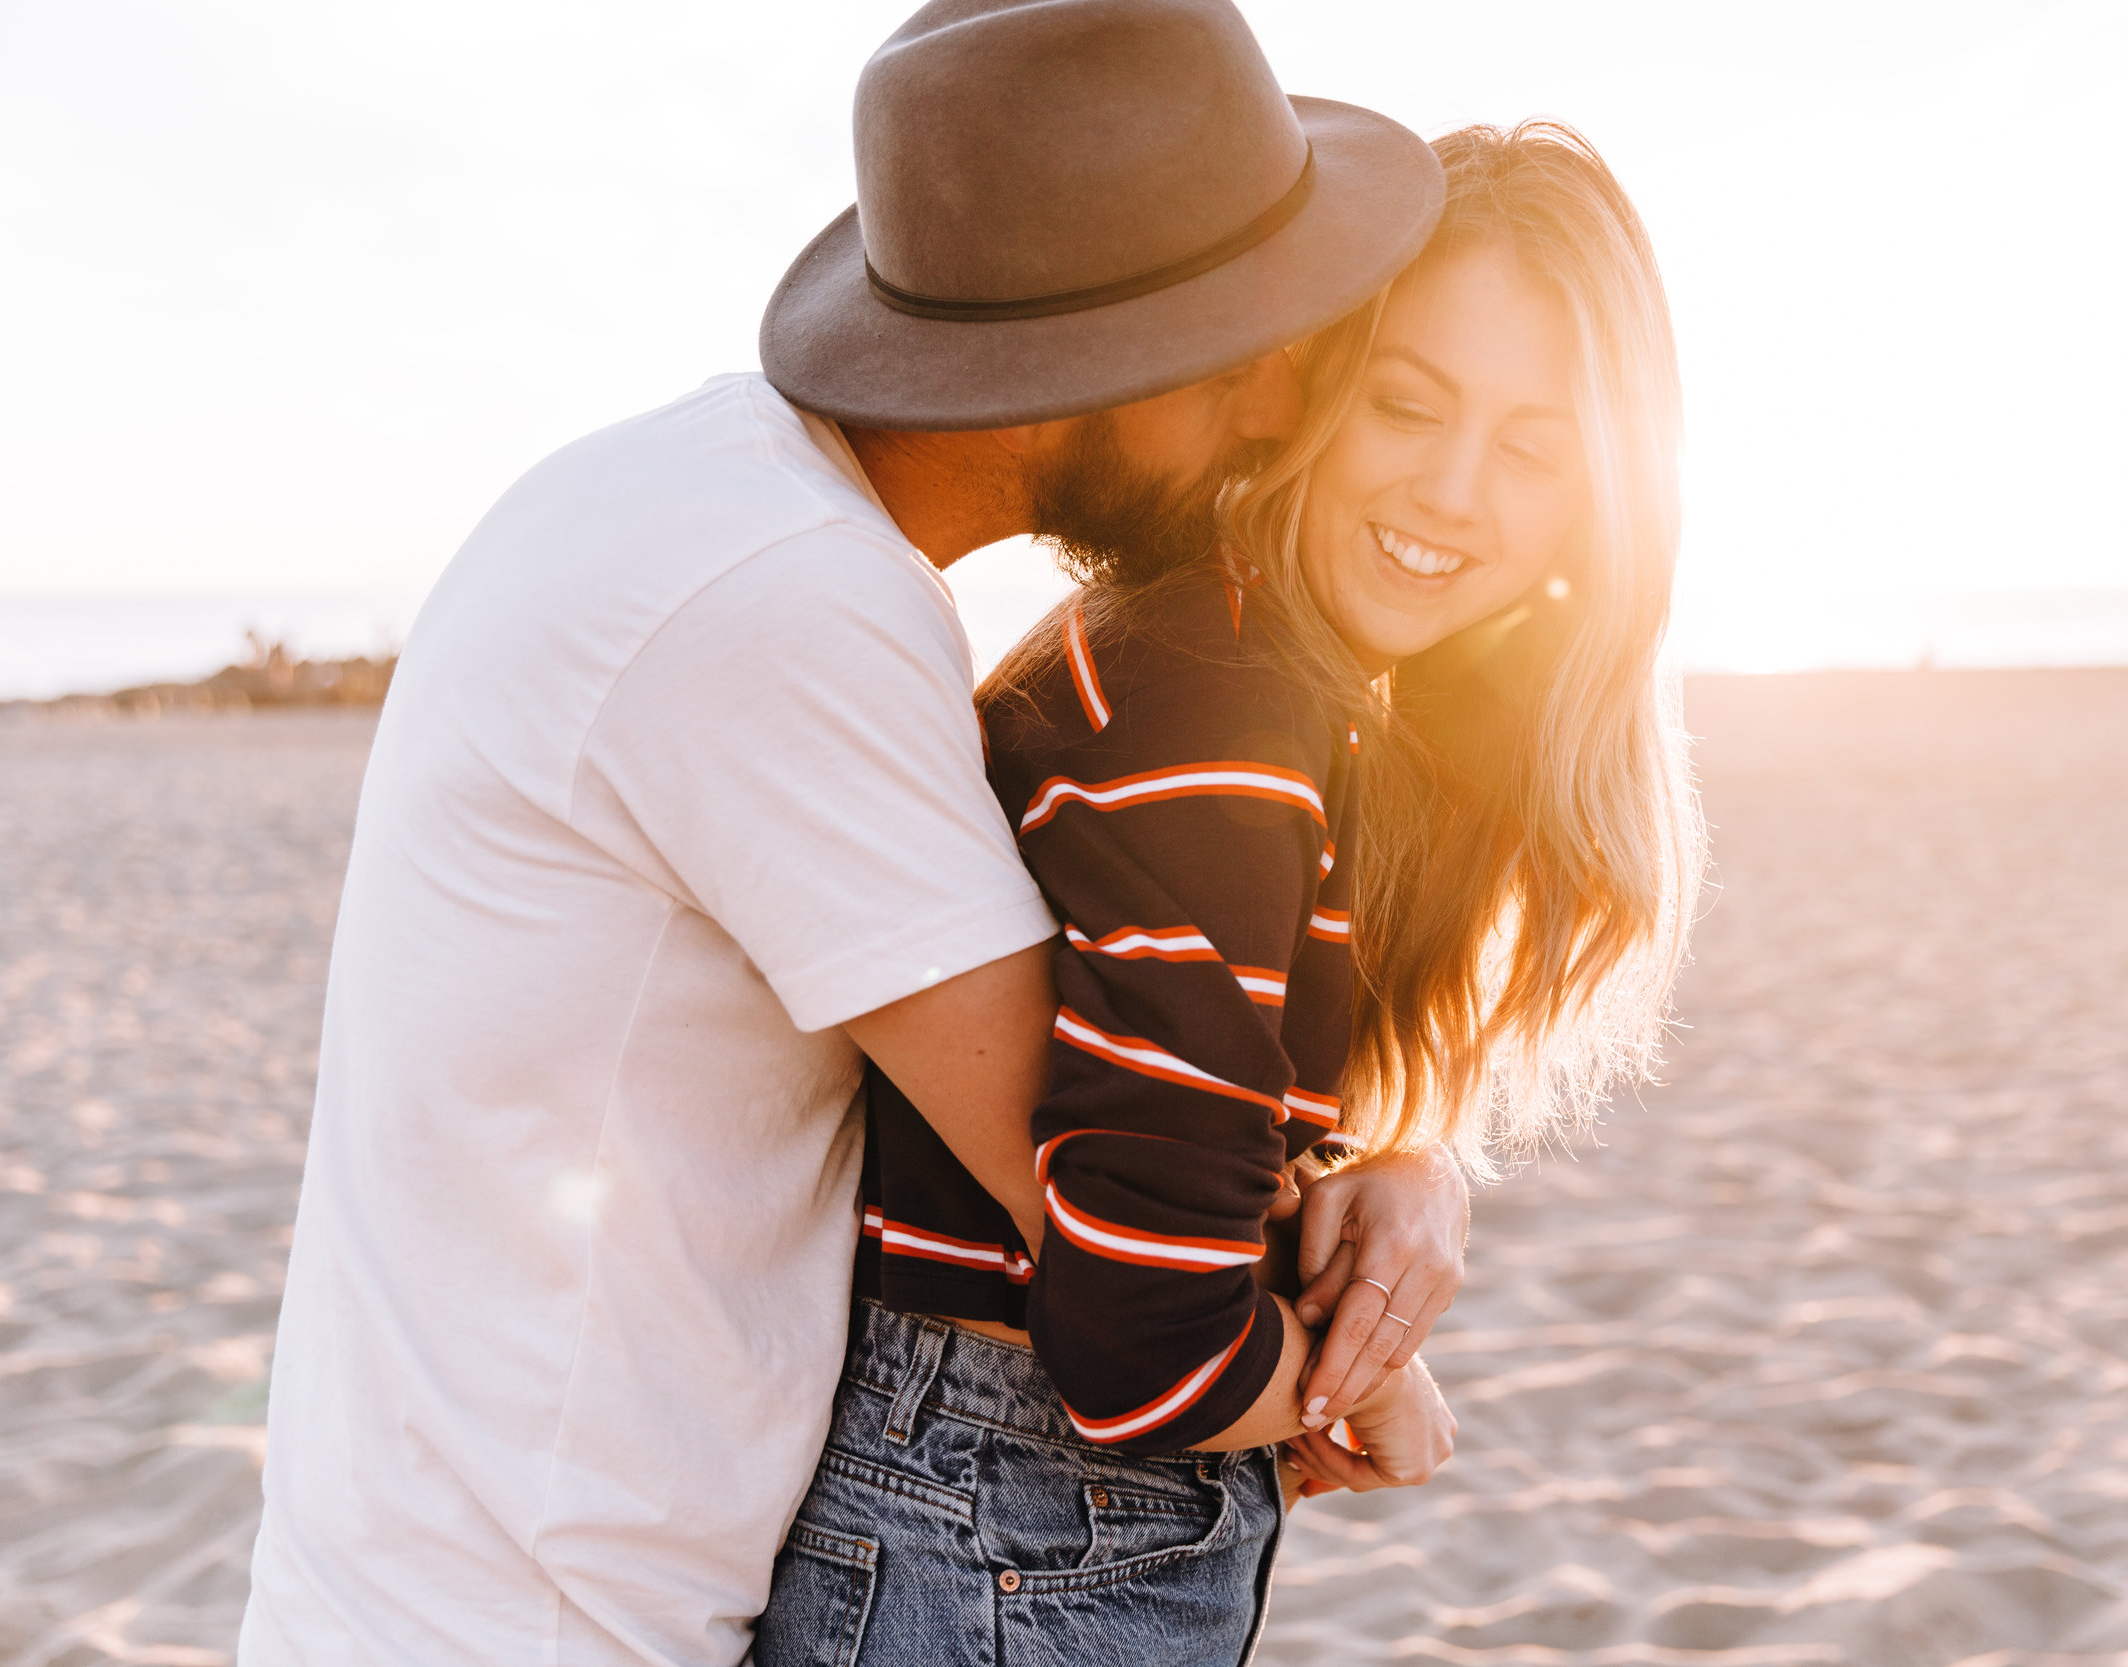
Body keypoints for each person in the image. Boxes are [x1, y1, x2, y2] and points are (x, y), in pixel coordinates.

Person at [236, 3, 1464, 1663]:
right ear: (1072, 368)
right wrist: (1361, 1369)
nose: (1277, 411)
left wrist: (1413, 1164)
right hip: (540, 1619)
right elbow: (1115, 1229)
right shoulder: (790, 605)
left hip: (430, 1570)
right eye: (1242, 348)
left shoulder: (690, 496)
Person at [754, 120, 1702, 1665]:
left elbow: (1179, 1127)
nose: (1454, 492)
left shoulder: (1232, 671)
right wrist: (1366, 1388)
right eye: (1408, 404)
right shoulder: (1219, 722)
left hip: (985, 1513)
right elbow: (1148, 1346)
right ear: (1312, 391)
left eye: (1534, 448)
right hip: (1007, 1522)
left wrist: (1397, 1161)